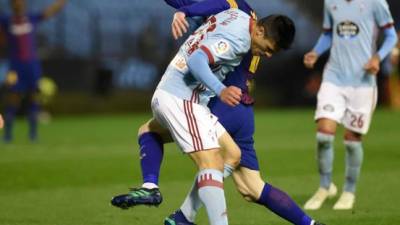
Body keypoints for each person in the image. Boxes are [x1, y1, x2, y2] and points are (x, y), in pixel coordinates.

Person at [112, 1, 323, 225]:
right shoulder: (239, 39)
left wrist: (184, 12)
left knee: (230, 154)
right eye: (268, 48)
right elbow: (197, 60)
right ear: (259, 30)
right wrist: (221, 90)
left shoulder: (236, 15)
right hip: (182, 98)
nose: (268, 55)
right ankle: (189, 216)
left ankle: (155, 192)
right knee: (212, 163)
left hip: (184, 97)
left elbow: (206, 7)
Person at [303, 0, 398, 210]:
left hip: (363, 82)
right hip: (333, 78)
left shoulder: (376, 3)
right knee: (323, 135)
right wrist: (316, 52)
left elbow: (391, 36)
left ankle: (349, 191)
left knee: (352, 140)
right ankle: (325, 186)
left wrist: (377, 58)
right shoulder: (331, 2)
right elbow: (328, 34)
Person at [0, 0, 67, 142]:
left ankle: (33, 134)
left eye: (21, 1)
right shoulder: (6, 21)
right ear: (12, 4)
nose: (19, 4)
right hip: (15, 67)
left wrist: (62, 2)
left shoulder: (31, 18)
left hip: (32, 65)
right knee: (13, 98)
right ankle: (7, 135)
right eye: (16, 2)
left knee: (34, 98)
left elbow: (49, 11)